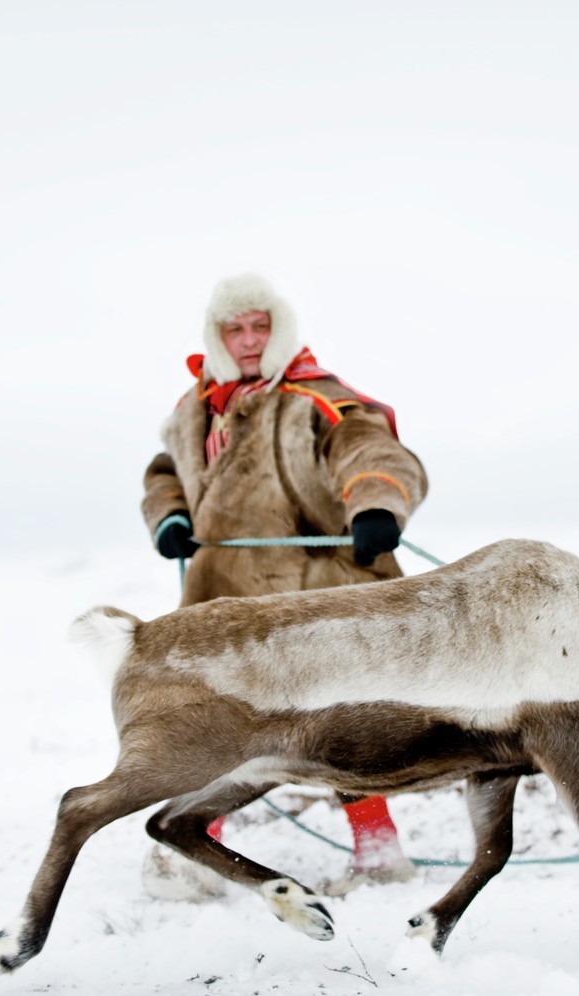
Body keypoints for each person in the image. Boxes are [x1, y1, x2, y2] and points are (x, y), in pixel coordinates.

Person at [140, 272, 428, 899]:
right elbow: (165, 471)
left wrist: (376, 506)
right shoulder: (193, 410)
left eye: (260, 325)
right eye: (234, 328)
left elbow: (368, 448)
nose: (248, 340)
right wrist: (170, 517)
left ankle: (380, 856)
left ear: (280, 329)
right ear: (217, 335)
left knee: (342, 730)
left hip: (316, 600)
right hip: (222, 602)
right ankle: (191, 854)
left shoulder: (316, 399)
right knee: (216, 728)